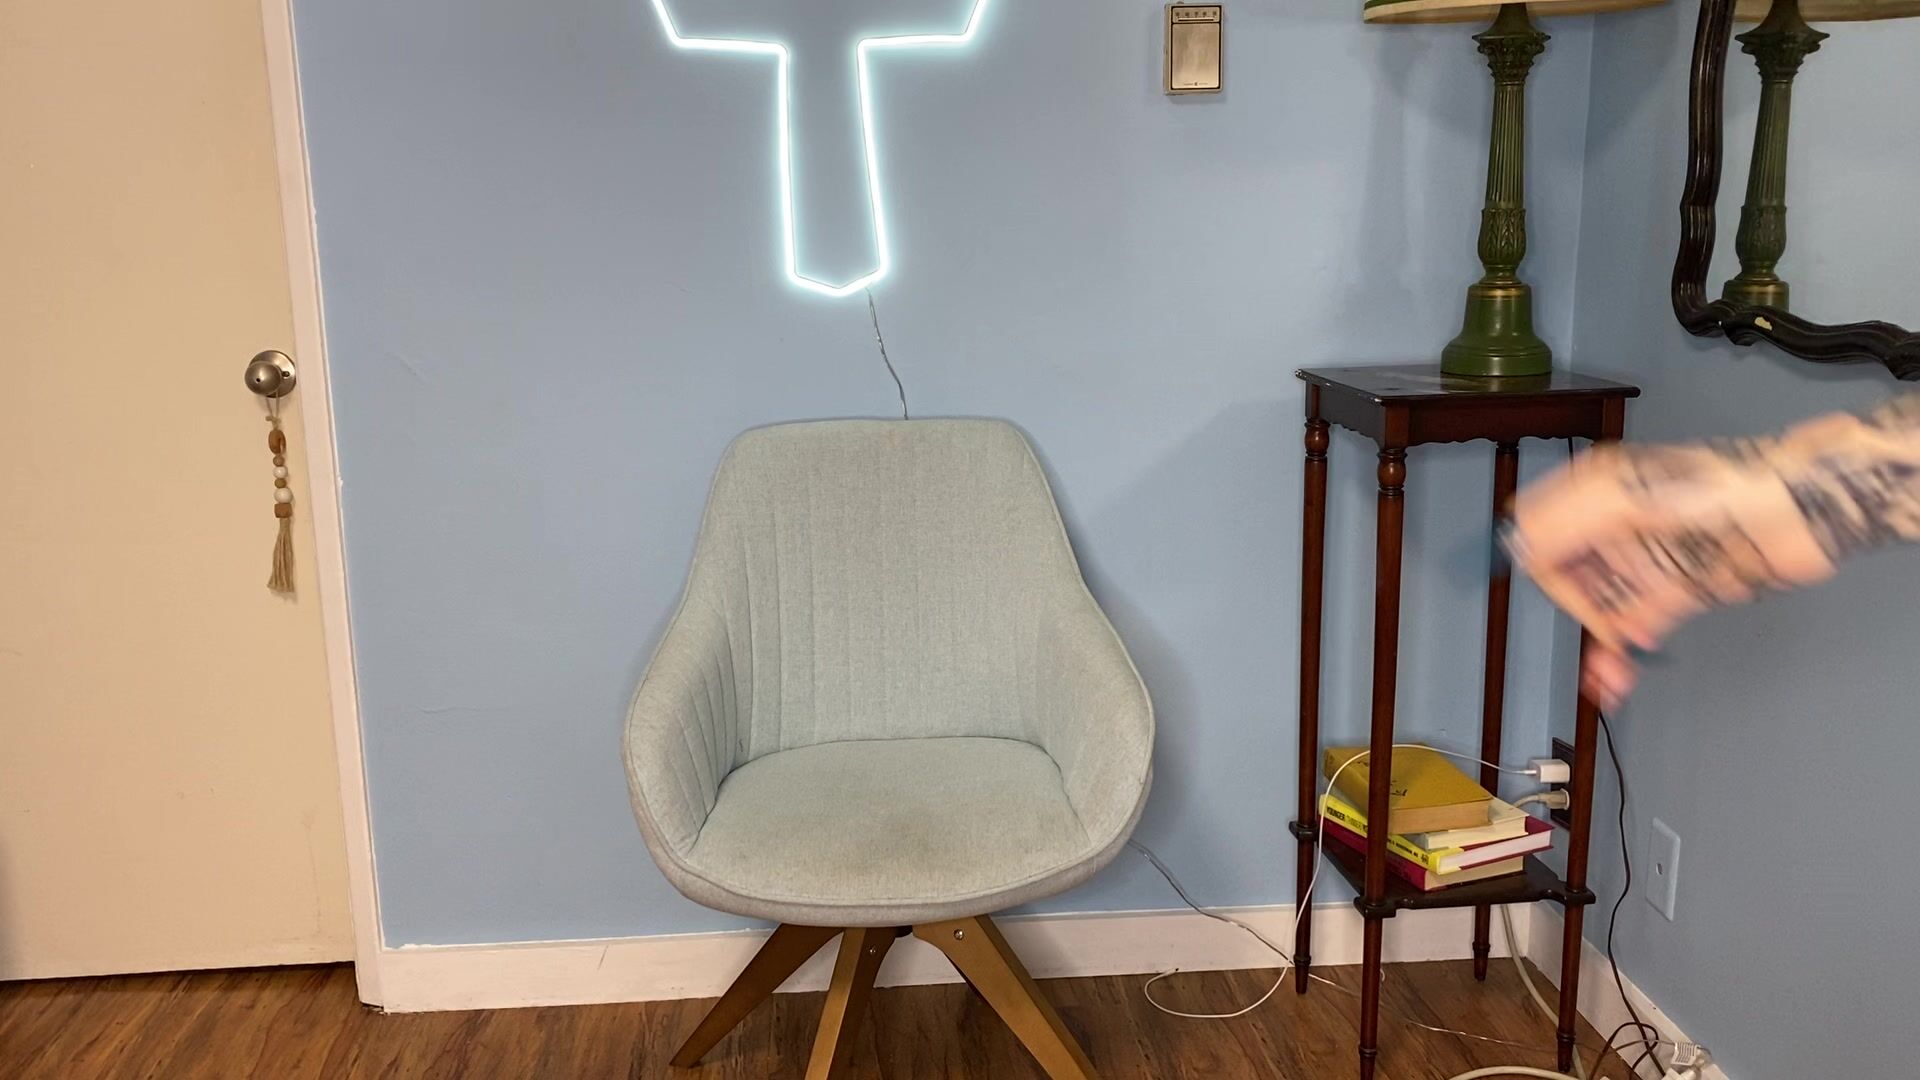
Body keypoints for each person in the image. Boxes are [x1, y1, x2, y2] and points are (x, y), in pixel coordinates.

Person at [1505, 393, 1920, 708]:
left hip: (1822, 493)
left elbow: (1596, 504)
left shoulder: (1632, 497)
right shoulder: (1642, 570)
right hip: (1819, 511)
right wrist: (1611, 636)